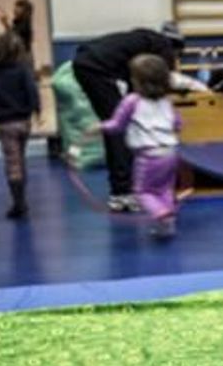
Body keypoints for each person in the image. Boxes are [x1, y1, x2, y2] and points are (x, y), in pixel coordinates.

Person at [72, 22, 184, 212]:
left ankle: (124, 187)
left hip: (87, 61)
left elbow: (137, 86)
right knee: (118, 129)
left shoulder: (144, 40)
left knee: (120, 123)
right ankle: (122, 192)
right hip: (96, 68)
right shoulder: (163, 50)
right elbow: (155, 87)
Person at [94, 54, 182, 239]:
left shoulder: (132, 101)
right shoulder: (166, 102)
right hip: (171, 154)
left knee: (143, 192)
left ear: (137, 81)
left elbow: (116, 125)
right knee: (164, 189)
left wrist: (98, 127)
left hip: (148, 156)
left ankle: (161, 214)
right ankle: (166, 225)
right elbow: (178, 124)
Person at [0, 30, 40, 219]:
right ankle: (22, 197)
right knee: (21, 159)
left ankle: (19, 203)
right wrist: (36, 110)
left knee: (12, 163)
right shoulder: (22, 70)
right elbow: (31, 91)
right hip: (23, 121)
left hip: (5, 122)